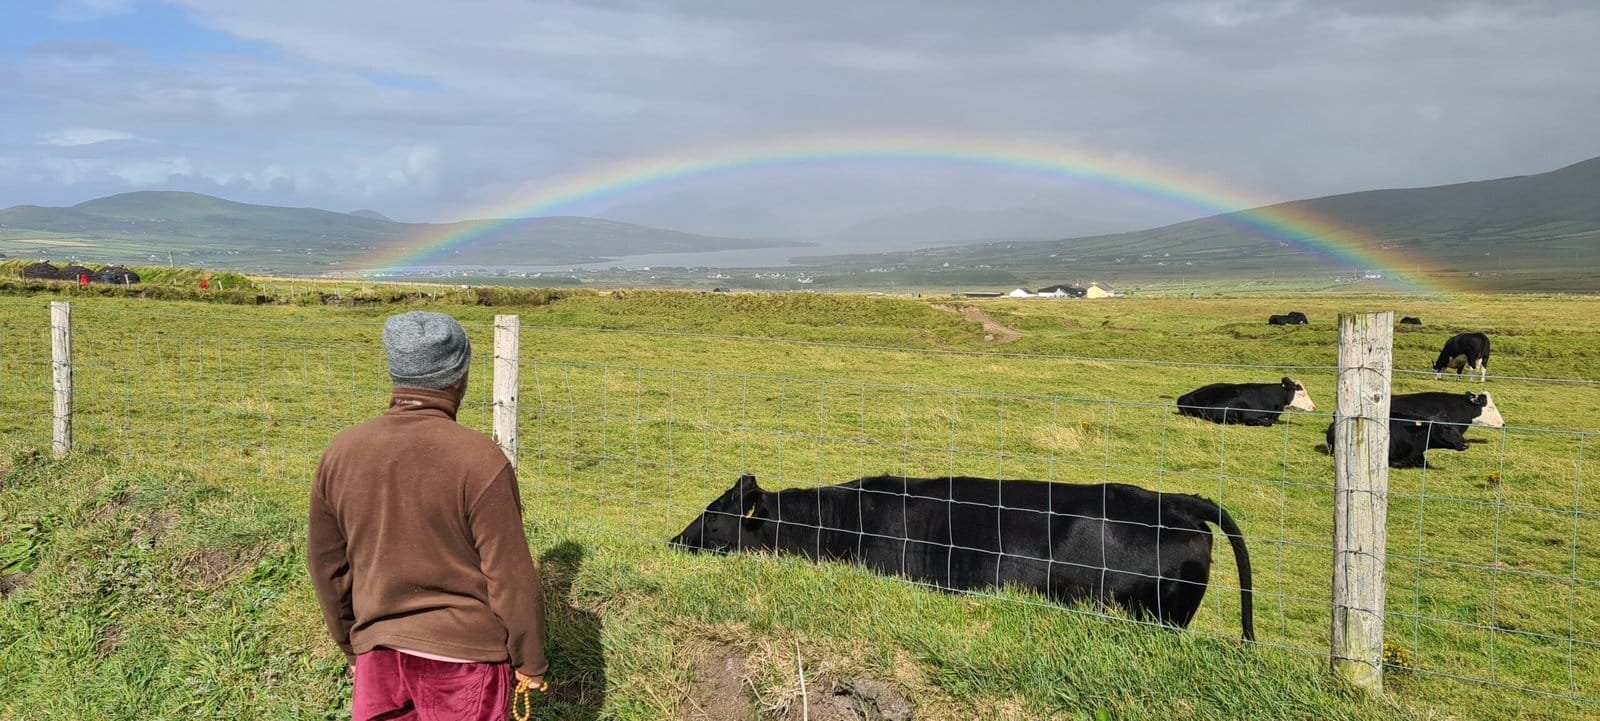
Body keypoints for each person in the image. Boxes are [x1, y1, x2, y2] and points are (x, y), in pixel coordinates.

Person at [308, 310, 548, 720]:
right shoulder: (480, 460)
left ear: (395, 371)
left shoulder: (341, 452)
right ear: (460, 376)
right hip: (465, 662)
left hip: (378, 655)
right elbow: (510, 576)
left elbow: (326, 565)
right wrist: (531, 661)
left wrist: (352, 642)